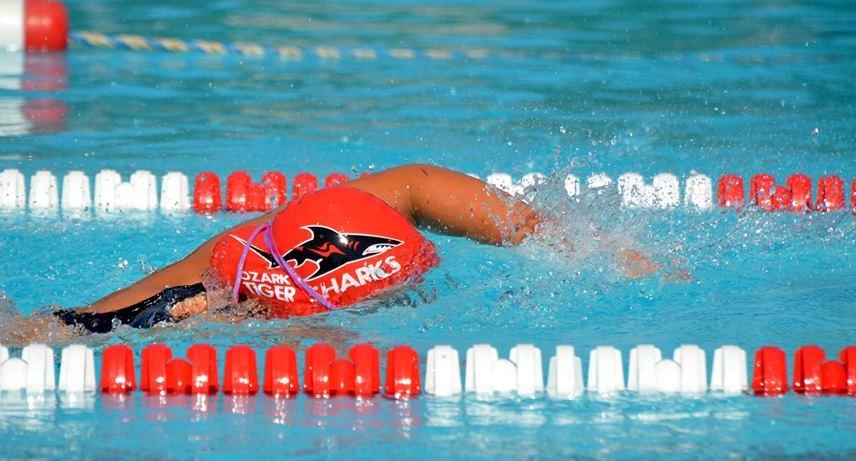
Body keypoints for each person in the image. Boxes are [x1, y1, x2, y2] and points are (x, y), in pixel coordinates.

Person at [53, 164, 660, 333]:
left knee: (80, 327)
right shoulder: (398, 212)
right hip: (302, 290)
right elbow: (423, 187)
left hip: (247, 255)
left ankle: (211, 312)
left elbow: (418, 184)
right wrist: (587, 245)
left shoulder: (229, 253)